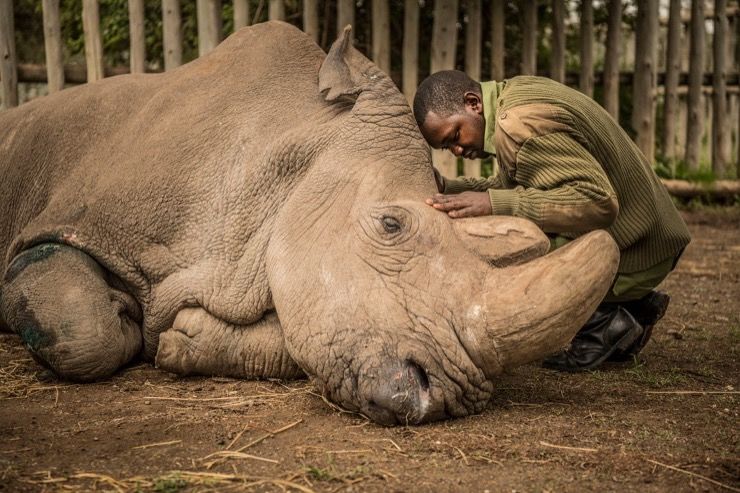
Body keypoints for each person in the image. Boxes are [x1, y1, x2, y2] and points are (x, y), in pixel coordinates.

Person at [413, 71, 691, 372]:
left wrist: (495, 204)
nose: (457, 150)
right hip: (650, 235)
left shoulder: (517, 126)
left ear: (473, 104)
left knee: (510, 247)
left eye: (455, 135)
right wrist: (449, 189)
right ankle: (629, 305)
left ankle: (606, 321)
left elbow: (598, 202)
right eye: (446, 147)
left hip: (641, 248)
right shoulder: (513, 98)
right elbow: (519, 187)